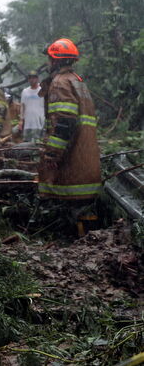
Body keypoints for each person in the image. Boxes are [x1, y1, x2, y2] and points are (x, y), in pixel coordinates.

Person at [36, 38, 102, 235]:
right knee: (84, 208)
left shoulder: (60, 83)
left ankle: (72, 241)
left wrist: (52, 154)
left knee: (70, 206)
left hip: (72, 159)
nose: (48, 63)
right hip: (86, 157)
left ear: (55, 61)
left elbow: (65, 123)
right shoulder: (77, 81)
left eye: (49, 59)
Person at [19, 71, 44, 143]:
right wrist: (21, 120)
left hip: (39, 123)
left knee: (38, 144)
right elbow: (22, 106)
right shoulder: (25, 91)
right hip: (28, 123)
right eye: (30, 78)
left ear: (37, 78)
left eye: (34, 77)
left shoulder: (42, 90)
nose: (32, 79)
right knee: (26, 144)